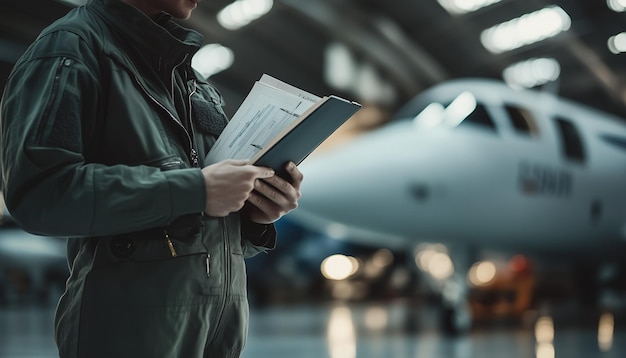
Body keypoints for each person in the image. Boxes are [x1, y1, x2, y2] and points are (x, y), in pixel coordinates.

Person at [0, 0, 303, 357]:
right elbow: (39, 193)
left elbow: (201, 221)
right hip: (127, 334)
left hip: (217, 332)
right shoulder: (69, 51)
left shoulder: (190, 78)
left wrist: (253, 217)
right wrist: (197, 190)